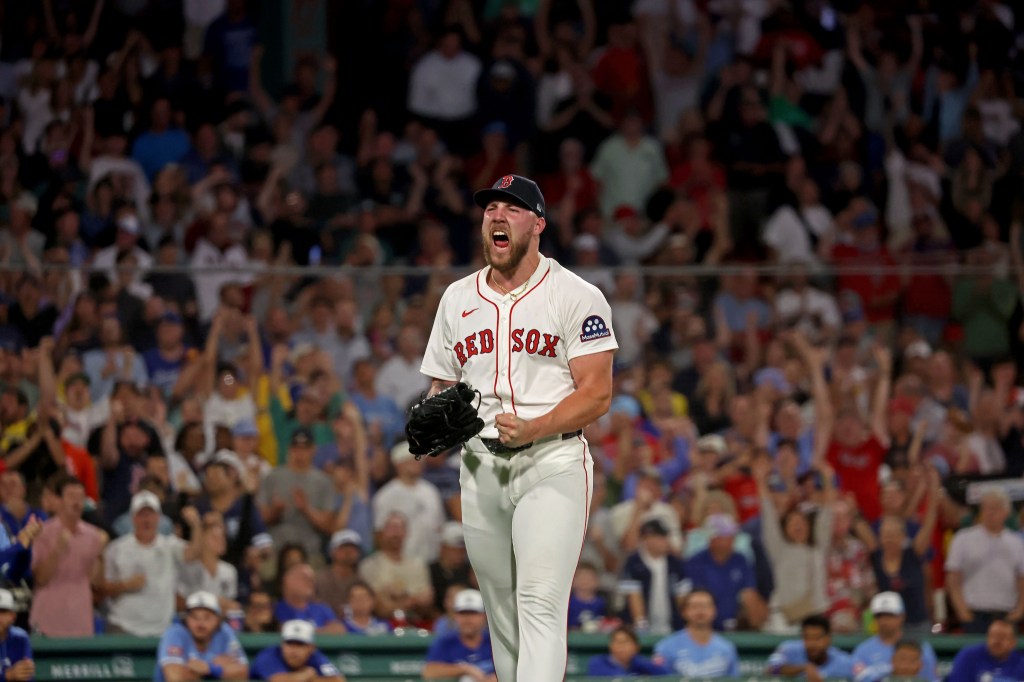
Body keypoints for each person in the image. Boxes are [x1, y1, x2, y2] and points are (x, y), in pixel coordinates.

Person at [418, 173, 617, 681]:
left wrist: (535, 426)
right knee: (501, 613)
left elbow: (596, 393)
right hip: (480, 466)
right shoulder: (456, 299)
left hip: (551, 459)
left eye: (512, 208)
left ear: (538, 224)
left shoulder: (576, 294)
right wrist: (437, 413)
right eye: (490, 209)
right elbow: (441, 386)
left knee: (538, 601)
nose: (498, 216)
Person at [103, 491, 203, 636]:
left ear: (158, 518)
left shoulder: (169, 545)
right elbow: (103, 589)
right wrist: (125, 585)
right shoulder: (117, 548)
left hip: (160, 631)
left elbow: (194, 554)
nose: (147, 520)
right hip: (123, 627)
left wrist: (196, 525)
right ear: (133, 518)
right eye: (141, 515)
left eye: (151, 514)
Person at [29, 474, 106, 636]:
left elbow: (96, 582)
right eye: (71, 496)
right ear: (60, 500)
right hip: (47, 620)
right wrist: (58, 549)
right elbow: (41, 578)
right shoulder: (42, 532)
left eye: (80, 497)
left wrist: (100, 554)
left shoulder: (92, 535)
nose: (77, 502)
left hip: (80, 620)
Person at [945, 488, 1024, 634]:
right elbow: (953, 578)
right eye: (986, 508)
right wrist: (962, 610)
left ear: (1006, 512)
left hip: (1006, 613)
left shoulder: (1016, 542)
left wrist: (1020, 610)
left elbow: (1021, 579)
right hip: (974, 613)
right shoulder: (963, 538)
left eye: (995, 508)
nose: (990, 512)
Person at [685, 513, 766, 631]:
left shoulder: (740, 560)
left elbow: (749, 591)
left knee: (751, 598)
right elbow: (695, 597)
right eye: (725, 536)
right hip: (704, 625)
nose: (731, 539)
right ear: (712, 539)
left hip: (735, 624)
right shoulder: (696, 562)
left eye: (731, 535)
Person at [155, 590, 249, 682]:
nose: (200, 624)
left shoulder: (224, 631)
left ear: (218, 620)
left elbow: (242, 673)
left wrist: (209, 668)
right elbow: (175, 678)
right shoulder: (175, 633)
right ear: (186, 619)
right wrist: (222, 670)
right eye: (194, 617)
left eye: (207, 617)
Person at [851, 592, 938, 682]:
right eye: (880, 616)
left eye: (890, 615)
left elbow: (933, 679)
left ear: (902, 616)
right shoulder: (863, 650)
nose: (885, 621)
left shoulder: (921, 647)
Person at [652, 589, 740, 677]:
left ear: (714, 610)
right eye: (694, 606)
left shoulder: (726, 648)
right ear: (684, 612)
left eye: (705, 606)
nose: (700, 611)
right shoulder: (666, 647)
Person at [422, 589, 496, 681]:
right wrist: (465, 669)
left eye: (473, 613)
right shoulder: (446, 642)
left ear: (484, 616)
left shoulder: (494, 642)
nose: (467, 619)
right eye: (463, 613)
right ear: (455, 616)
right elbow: (429, 672)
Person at [250, 619, 346, 681]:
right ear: (282, 644)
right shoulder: (270, 655)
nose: (293, 650)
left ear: (311, 648)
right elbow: (278, 680)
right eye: (289, 643)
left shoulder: (315, 656)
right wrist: (305, 675)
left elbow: (338, 680)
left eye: (300, 644)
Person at [766, 615, 855, 680]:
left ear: (828, 639)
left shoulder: (845, 662)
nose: (812, 644)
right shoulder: (789, 649)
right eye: (807, 638)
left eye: (817, 638)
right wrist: (803, 668)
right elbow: (771, 670)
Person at [273, 563, 346, 634]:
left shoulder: (322, 609)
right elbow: (283, 631)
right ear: (287, 581)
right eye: (305, 578)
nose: (311, 582)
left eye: (312, 579)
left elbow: (338, 630)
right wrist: (320, 632)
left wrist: (307, 633)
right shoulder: (276, 609)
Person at [946, 619, 1024, 682]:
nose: (996, 641)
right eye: (993, 636)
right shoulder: (969, 657)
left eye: (1002, 637)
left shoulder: (1021, 663)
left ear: (1013, 643)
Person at [586, 625, 668, 676]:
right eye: (617, 642)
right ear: (610, 646)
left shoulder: (639, 663)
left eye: (625, 642)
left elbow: (665, 675)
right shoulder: (598, 662)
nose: (620, 647)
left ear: (636, 647)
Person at [0, 589, 33, 682]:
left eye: (2, 612)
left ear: (13, 616)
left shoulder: (20, 638)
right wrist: (7, 675)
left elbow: (27, 677)